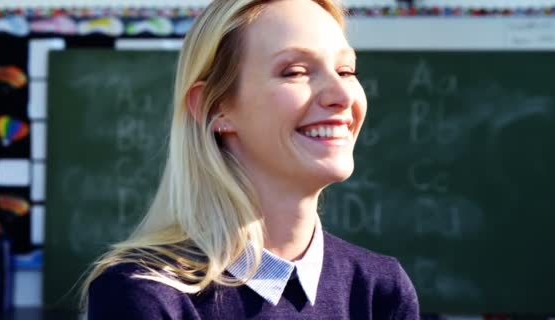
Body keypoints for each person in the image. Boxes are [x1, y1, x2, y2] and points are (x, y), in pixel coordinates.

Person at [82, 0, 419, 319]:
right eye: (296, 71)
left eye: (346, 70)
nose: (343, 96)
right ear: (215, 108)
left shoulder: (380, 290)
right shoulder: (146, 295)